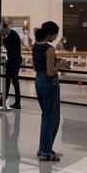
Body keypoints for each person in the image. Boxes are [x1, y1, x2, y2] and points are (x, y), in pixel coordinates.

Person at [32, 22, 67, 162]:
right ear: (50, 34)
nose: (56, 37)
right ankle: (46, 151)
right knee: (52, 118)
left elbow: (36, 66)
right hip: (49, 83)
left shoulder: (35, 46)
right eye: (55, 34)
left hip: (38, 81)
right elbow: (51, 72)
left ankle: (43, 148)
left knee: (46, 115)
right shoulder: (49, 49)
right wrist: (60, 65)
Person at [0, 23, 22, 109]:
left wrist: (3, 39)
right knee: (11, 81)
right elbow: (7, 47)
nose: (1, 33)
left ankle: (9, 101)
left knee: (11, 81)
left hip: (14, 61)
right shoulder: (9, 35)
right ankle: (8, 101)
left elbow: (9, 47)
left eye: (2, 31)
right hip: (13, 60)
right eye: (0, 31)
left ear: (6, 28)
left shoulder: (12, 35)